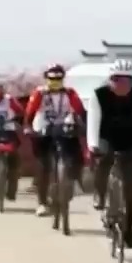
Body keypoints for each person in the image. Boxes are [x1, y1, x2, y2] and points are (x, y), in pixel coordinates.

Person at [88, 59, 132, 249]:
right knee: (104, 160)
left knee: (131, 188)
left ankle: (128, 229)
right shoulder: (98, 95)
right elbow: (93, 120)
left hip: (128, 140)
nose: (122, 84)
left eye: (126, 80)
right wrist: (92, 145)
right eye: (117, 79)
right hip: (105, 138)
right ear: (110, 79)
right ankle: (100, 194)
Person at [24, 64, 87, 217]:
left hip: (64, 126)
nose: (55, 81)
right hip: (44, 126)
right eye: (52, 78)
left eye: (58, 78)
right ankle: (42, 202)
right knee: (43, 164)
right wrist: (28, 126)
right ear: (46, 78)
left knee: (76, 152)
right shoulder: (40, 93)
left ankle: (74, 180)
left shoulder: (70, 93)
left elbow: (79, 109)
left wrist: (83, 124)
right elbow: (30, 111)